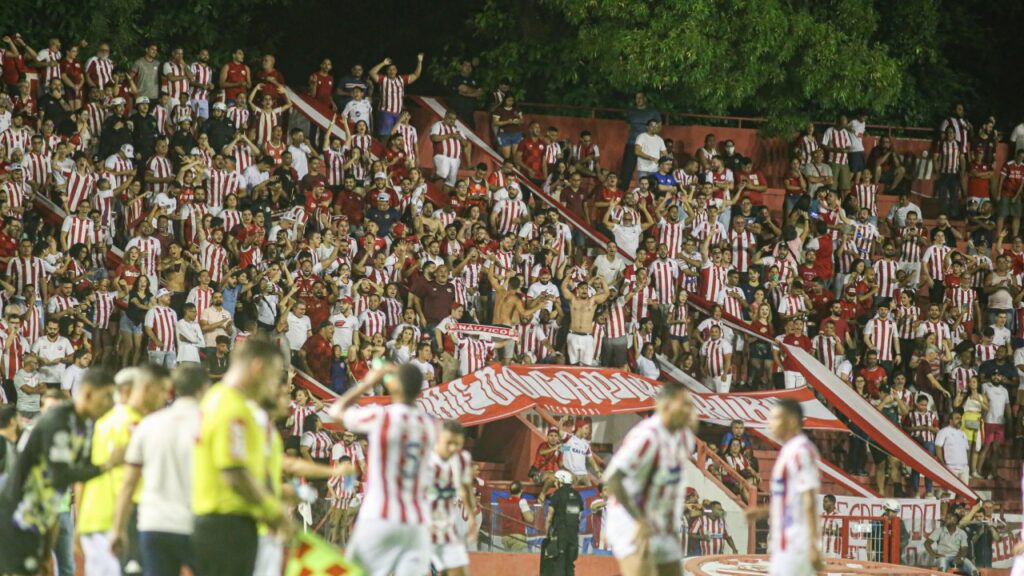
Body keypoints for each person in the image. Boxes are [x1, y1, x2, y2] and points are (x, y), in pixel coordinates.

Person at [0, 367, 117, 575]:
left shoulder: (86, 425)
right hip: (17, 518)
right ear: (88, 393)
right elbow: (60, 475)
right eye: (107, 395)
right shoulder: (59, 421)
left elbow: (66, 480)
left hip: (43, 516)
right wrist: (107, 465)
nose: (110, 402)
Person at [327, 361, 435, 576]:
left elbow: (335, 411)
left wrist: (367, 383)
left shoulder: (382, 416)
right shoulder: (430, 426)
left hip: (380, 515)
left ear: (394, 386)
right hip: (414, 520)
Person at [191, 337, 288, 576]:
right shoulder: (233, 407)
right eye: (274, 375)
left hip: (217, 523)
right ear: (258, 367)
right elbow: (233, 472)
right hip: (227, 526)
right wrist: (274, 512)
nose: (273, 385)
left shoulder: (217, 399)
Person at [111, 366, 209, 576]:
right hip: (198, 524)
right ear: (204, 390)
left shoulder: (148, 425)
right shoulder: (209, 426)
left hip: (154, 523)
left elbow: (128, 483)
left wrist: (117, 528)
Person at [78, 364, 170, 576]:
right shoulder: (133, 424)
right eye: (161, 390)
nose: (164, 397)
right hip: (119, 520)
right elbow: (130, 479)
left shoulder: (104, 421)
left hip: (95, 518)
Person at [602, 379, 695, 576]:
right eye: (683, 404)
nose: (689, 409)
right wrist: (640, 520)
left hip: (660, 521)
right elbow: (613, 479)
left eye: (690, 404)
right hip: (629, 518)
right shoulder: (647, 436)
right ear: (665, 406)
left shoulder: (685, 437)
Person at [747, 399, 823, 576]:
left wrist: (812, 544)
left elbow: (809, 498)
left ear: (790, 420)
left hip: (796, 545)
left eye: (775, 418)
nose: (769, 423)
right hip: (784, 544)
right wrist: (763, 511)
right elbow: (790, 500)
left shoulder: (801, 451)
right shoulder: (788, 451)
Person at [428, 420, 477, 576]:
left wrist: (471, 519)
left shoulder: (462, 459)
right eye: (449, 443)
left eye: (458, 444)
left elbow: (466, 489)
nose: (453, 448)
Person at [540, 469, 583, 576]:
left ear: (561, 481)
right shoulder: (577, 495)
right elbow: (579, 516)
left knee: (559, 564)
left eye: (556, 480)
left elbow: (549, 516)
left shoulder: (557, 494)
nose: (555, 483)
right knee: (570, 565)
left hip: (560, 534)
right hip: (573, 536)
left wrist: (546, 534)